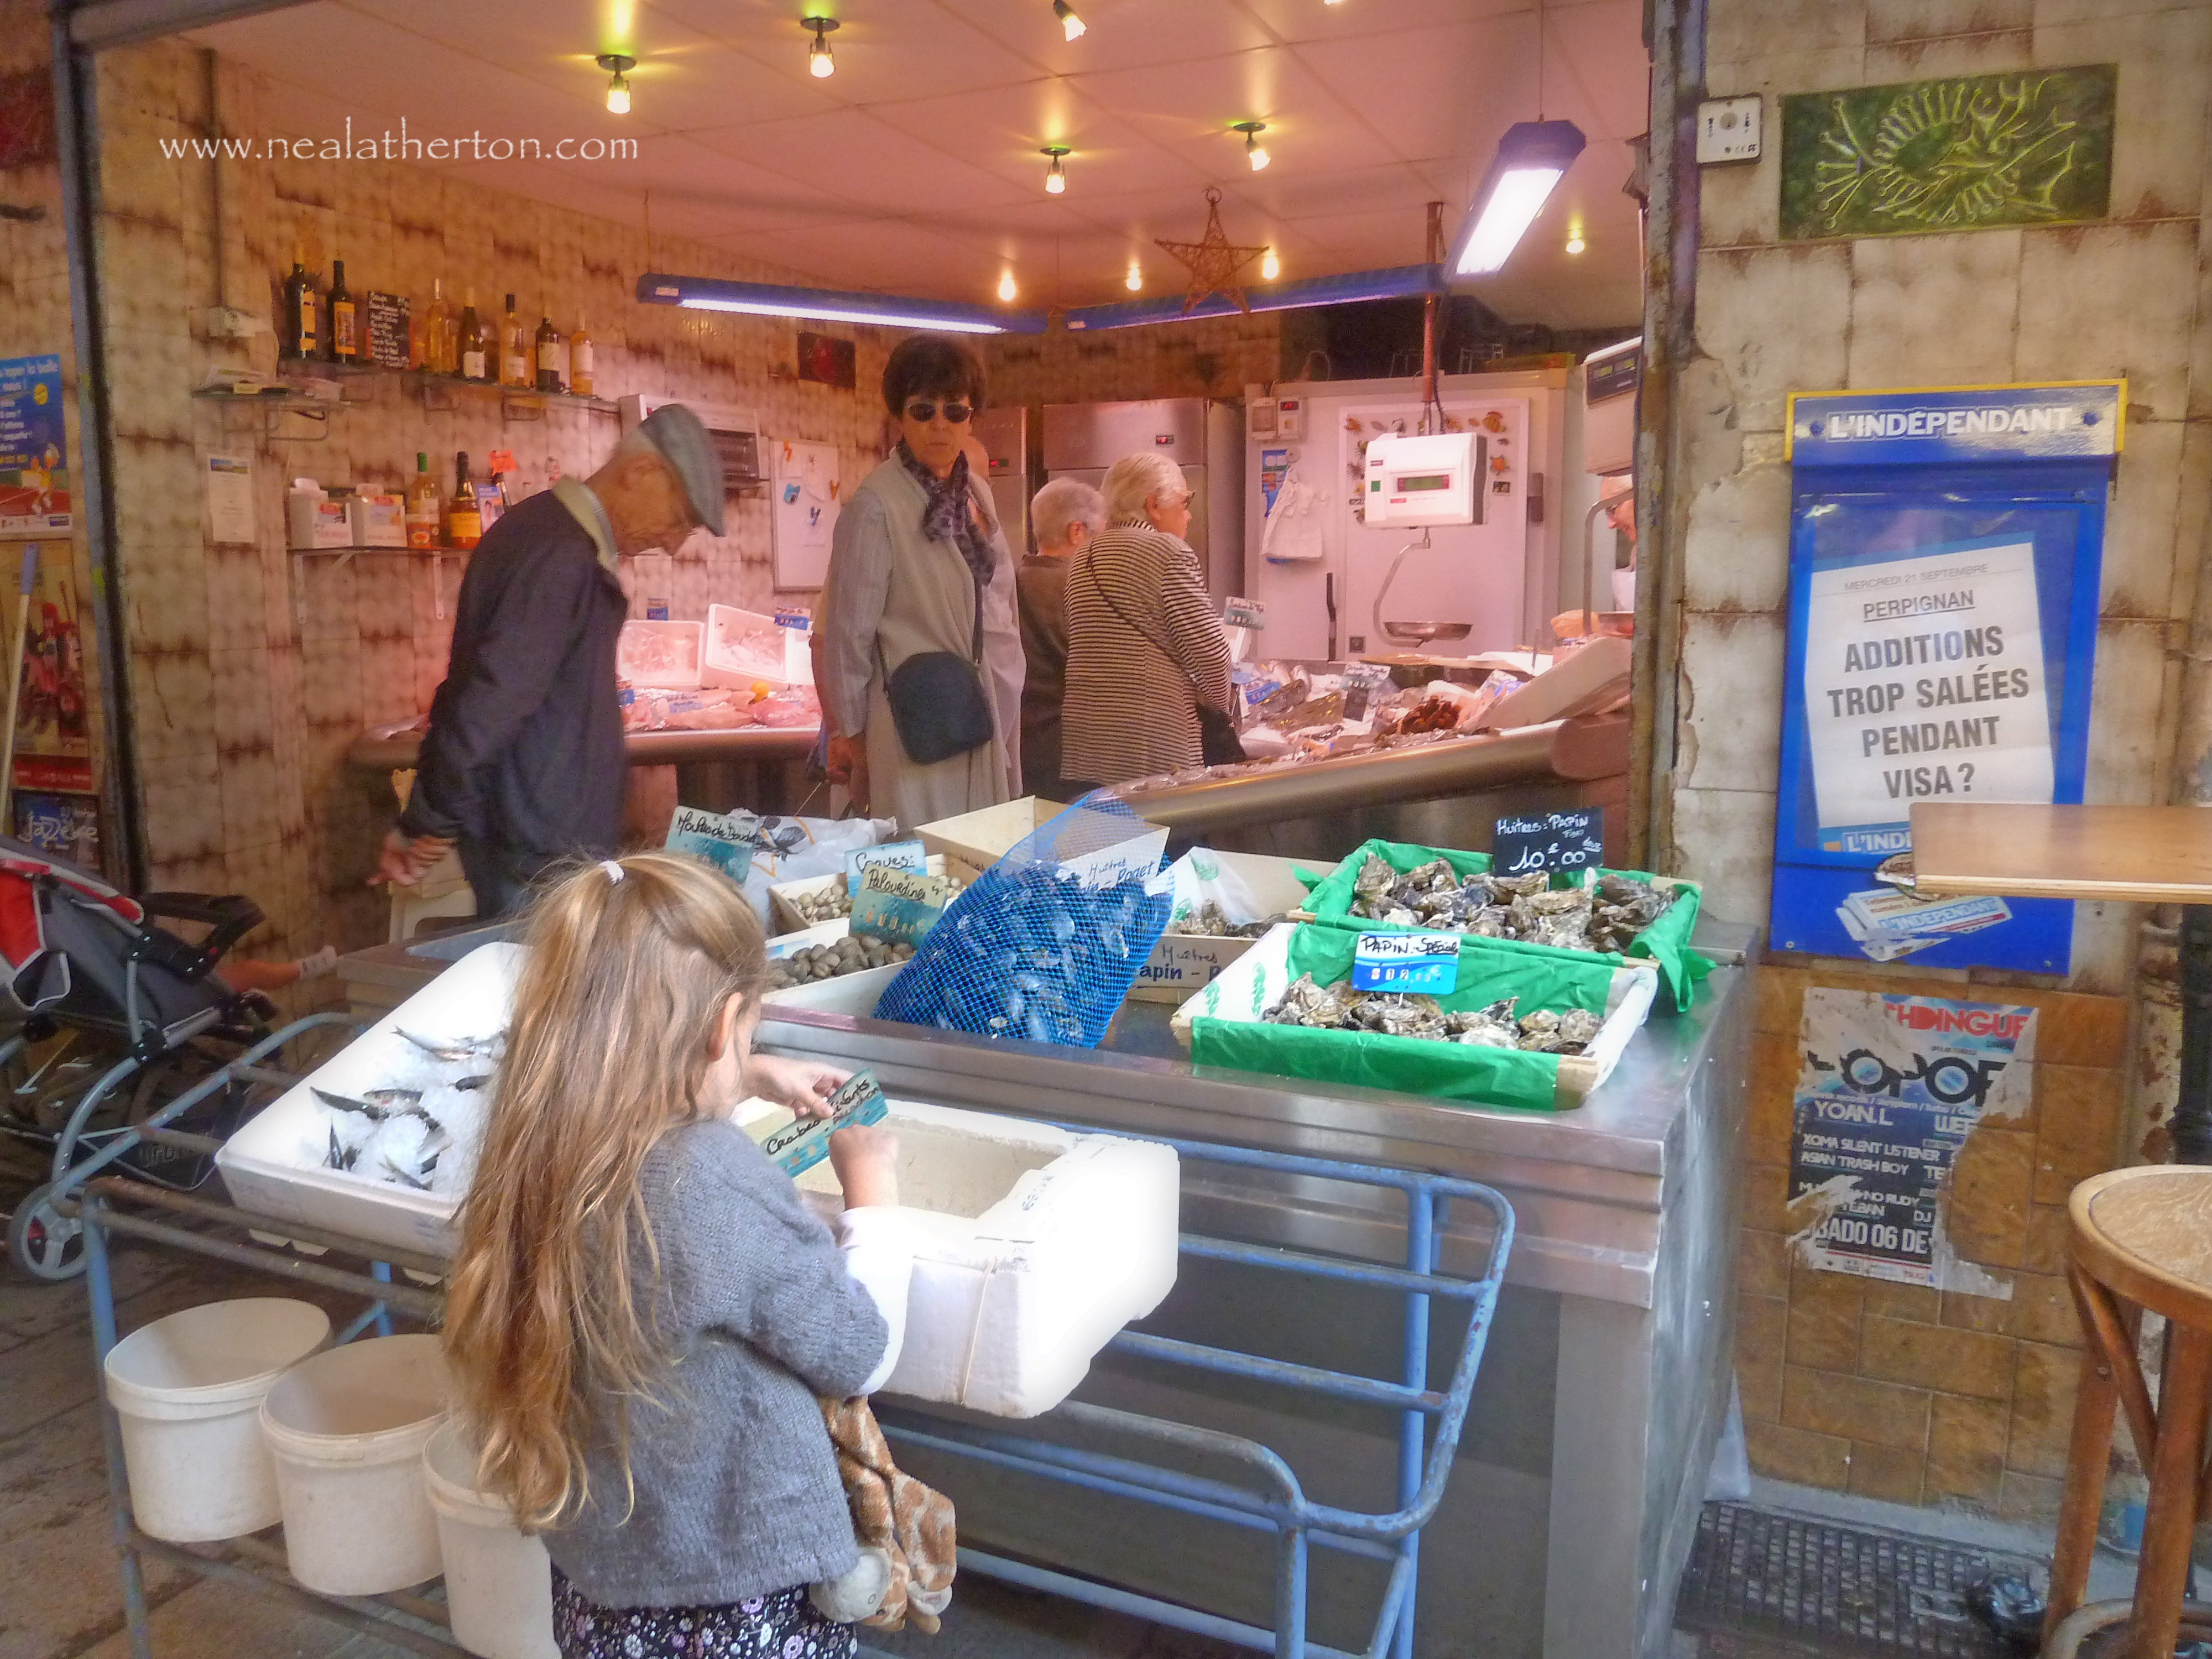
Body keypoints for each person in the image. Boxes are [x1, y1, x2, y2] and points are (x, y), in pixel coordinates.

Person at [441, 853, 912, 1659]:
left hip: (606, 1584)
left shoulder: (539, 1148)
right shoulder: (710, 1180)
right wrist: (873, 1189)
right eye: (750, 1031)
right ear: (720, 1024)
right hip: (741, 1594)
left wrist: (740, 1077)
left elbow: (626, 1093)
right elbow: (860, 1353)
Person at [373, 405, 727, 917]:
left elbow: (485, 685)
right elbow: (492, 699)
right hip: (538, 851)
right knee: (549, 992)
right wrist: (432, 819)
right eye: (678, 520)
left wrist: (430, 816)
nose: (672, 545)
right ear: (642, 472)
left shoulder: (545, 532)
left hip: (541, 838)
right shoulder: (559, 554)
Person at [817, 338, 1022, 829]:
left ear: (971, 418)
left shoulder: (976, 494)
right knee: (922, 864)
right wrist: (853, 740)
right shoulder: (875, 507)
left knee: (980, 862)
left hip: (977, 711)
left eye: (955, 411)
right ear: (899, 417)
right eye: (923, 410)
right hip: (910, 720)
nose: (940, 425)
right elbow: (848, 640)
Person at [1060, 452, 1232, 788]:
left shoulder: (1083, 558)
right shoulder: (1169, 552)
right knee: (1163, 838)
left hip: (1087, 745)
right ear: (1153, 504)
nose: (1189, 516)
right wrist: (1220, 710)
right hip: (1151, 745)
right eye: (1184, 503)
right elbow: (1212, 655)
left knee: (1106, 839)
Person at [1015, 478, 1104, 797]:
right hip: (1069, 753)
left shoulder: (1012, 582)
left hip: (1021, 749)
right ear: (1076, 531)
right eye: (1099, 535)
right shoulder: (1080, 589)